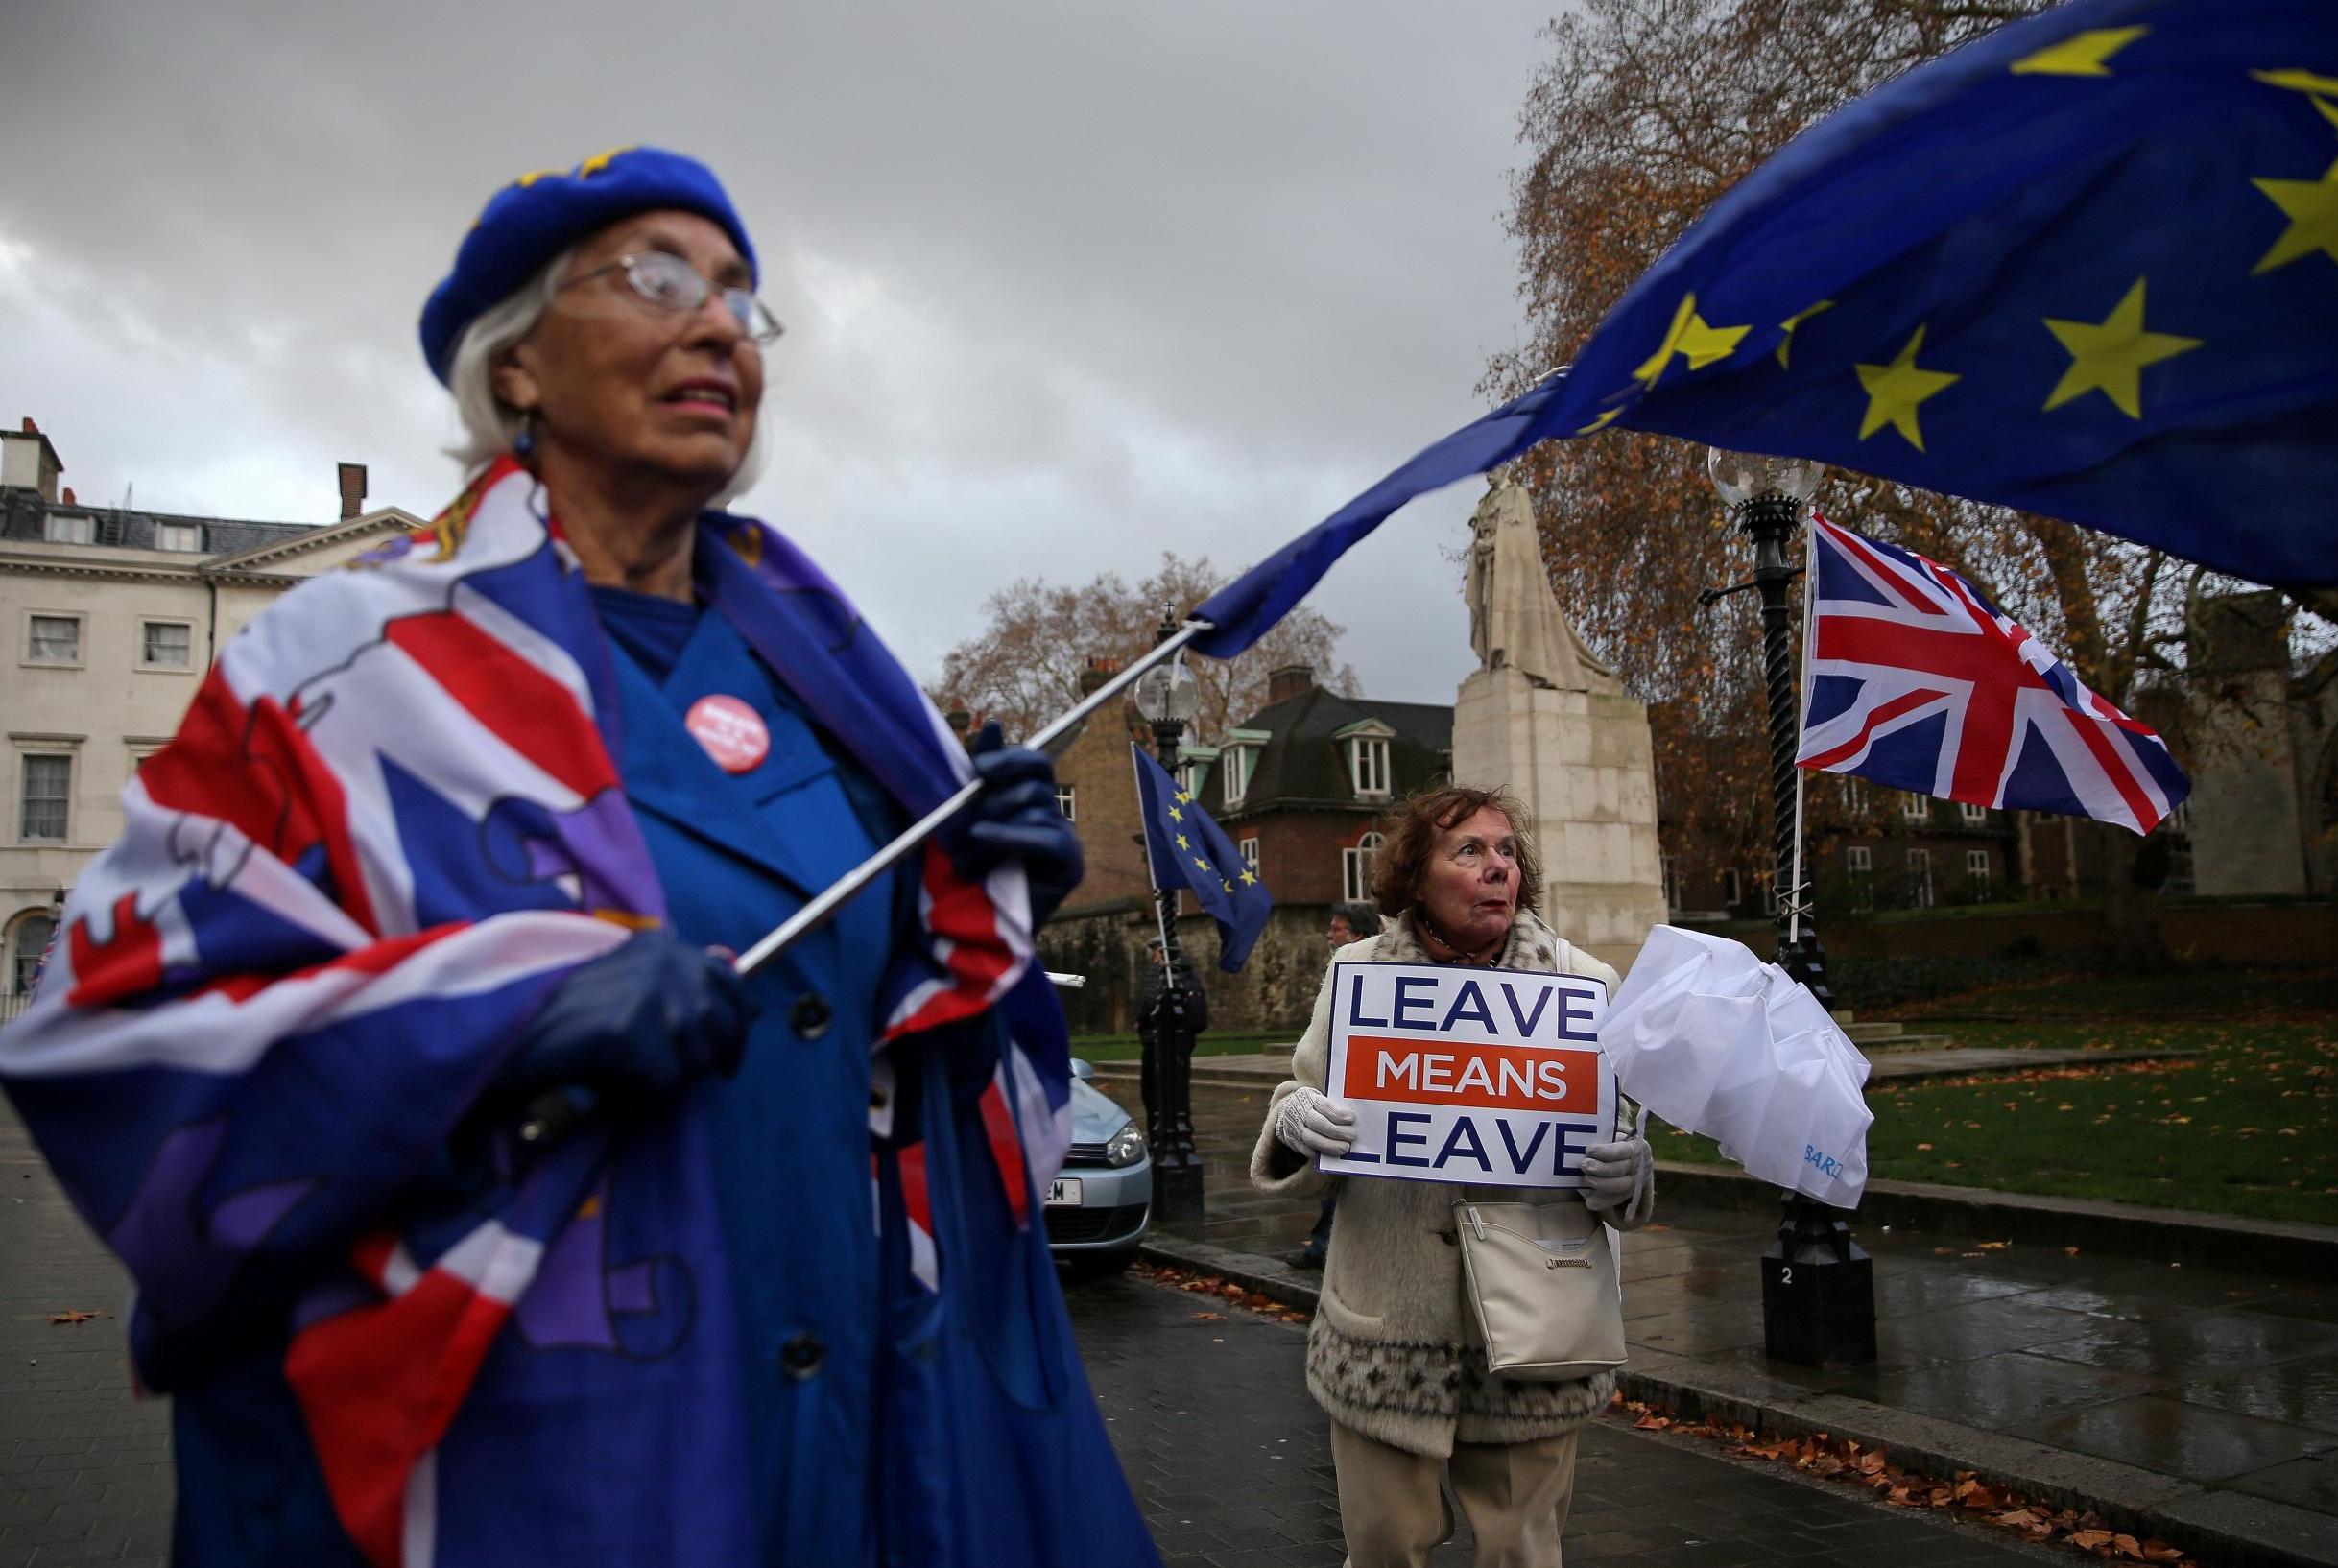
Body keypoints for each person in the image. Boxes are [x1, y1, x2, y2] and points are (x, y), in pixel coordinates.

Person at [0, 148, 1157, 1568]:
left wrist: (960, 895)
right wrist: (500, 1019)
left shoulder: (843, 685)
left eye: (742, 297)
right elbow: (112, 1029)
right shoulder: (336, 669)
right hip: (529, 1467)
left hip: (853, 1432)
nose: (722, 323)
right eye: (659, 276)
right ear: (518, 365)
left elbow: (883, 1043)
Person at [1251, 786, 1655, 1568]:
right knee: (1381, 1550)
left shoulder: (1583, 987)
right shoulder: (1358, 976)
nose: (1496, 866)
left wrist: (1627, 1175)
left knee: (1521, 1555)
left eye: (1506, 851)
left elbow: (1622, 1157)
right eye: (1468, 850)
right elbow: (1304, 1118)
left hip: (1533, 1337)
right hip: (1384, 1331)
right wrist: (1295, 1121)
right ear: (1415, 875)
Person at [1295, 900, 1380, 1269]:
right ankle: (1324, 1245)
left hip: (1358, 1098)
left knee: (1342, 1174)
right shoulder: (1341, 969)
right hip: (1338, 1092)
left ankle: (1323, 1247)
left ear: (1359, 935)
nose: (1330, 934)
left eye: (1338, 928)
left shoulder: (1372, 974)